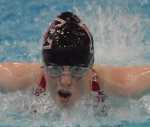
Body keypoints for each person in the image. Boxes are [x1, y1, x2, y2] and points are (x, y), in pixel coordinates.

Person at [1, 11, 150, 108]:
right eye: (55, 69)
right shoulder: (19, 78)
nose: (66, 81)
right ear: (43, 66)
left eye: (77, 70)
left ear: (91, 68)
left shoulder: (120, 84)